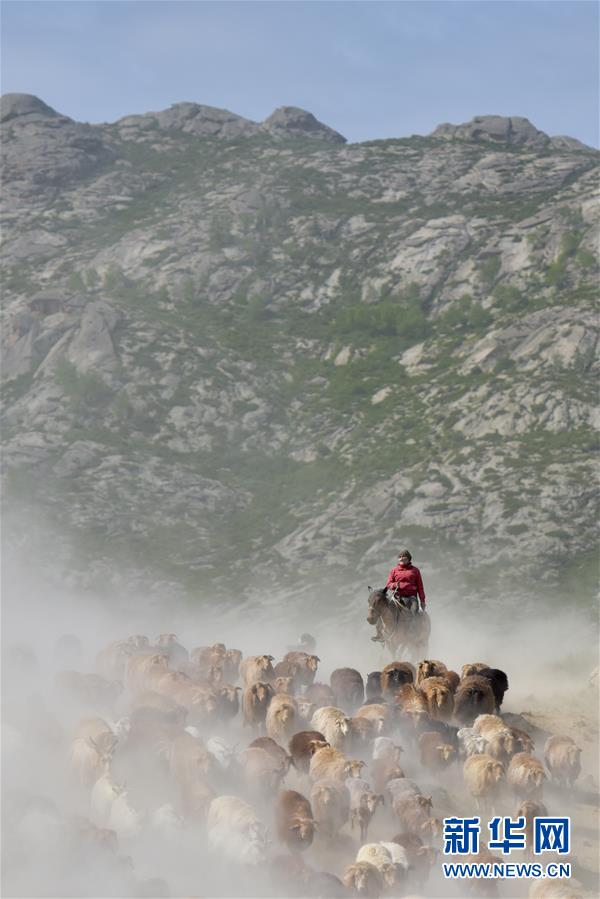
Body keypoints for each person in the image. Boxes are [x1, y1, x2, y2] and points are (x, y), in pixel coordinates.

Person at [371, 549, 427, 643]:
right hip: (397, 597)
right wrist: (395, 585)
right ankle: (379, 634)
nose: (401, 558)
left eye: (404, 556)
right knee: (383, 610)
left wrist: (422, 600)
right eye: (400, 557)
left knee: (414, 611)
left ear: (409, 559)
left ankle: (412, 633)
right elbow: (388, 584)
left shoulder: (415, 571)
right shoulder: (394, 571)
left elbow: (420, 587)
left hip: (411, 597)